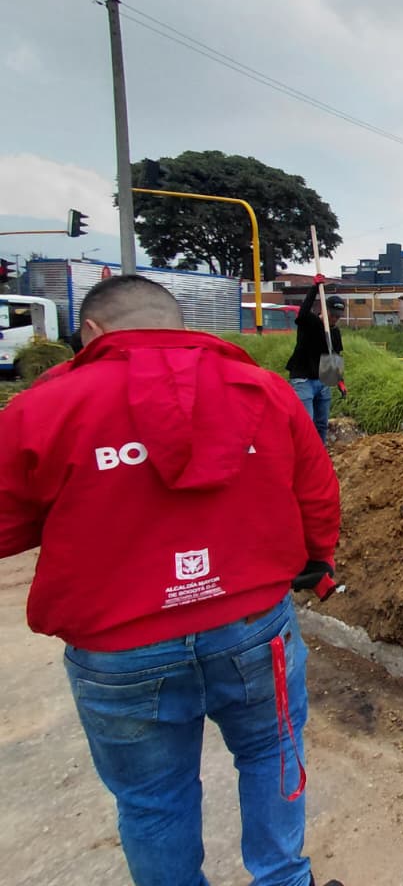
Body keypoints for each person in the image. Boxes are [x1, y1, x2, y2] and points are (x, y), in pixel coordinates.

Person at [0, 275, 344, 886]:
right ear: (181, 326)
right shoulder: (262, 392)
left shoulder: (40, 409)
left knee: (154, 798)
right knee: (271, 753)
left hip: (119, 648)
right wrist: (316, 560)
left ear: (93, 332)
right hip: (250, 628)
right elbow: (316, 490)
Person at [286, 275, 345, 443]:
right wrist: (314, 288)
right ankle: (305, 458)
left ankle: (320, 456)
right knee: (306, 423)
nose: (334, 319)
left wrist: (339, 380)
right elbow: (303, 313)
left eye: (337, 317)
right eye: (332, 315)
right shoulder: (309, 322)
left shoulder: (334, 332)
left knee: (321, 423)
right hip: (303, 379)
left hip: (322, 381)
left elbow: (334, 356)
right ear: (326, 311)